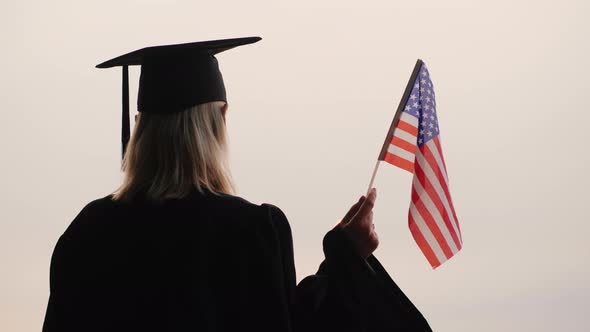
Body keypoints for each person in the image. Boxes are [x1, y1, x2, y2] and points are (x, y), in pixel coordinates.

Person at [42, 36, 432, 332]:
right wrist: (346, 258)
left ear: (141, 128)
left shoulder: (87, 234)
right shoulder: (250, 231)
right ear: (219, 120)